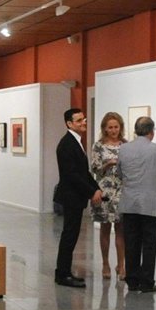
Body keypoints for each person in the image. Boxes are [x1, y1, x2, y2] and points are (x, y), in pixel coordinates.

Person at [115, 116, 156, 293]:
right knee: (149, 244)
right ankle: (147, 281)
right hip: (151, 204)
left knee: (131, 242)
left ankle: (132, 280)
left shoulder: (124, 149)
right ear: (152, 131)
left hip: (129, 203)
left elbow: (119, 173)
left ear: (136, 131)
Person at [53, 108, 103, 288]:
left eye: (84, 119)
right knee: (69, 235)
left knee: (71, 234)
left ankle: (64, 272)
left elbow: (83, 172)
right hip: (71, 196)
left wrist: (96, 188)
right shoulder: (67, 144)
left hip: (75, 196)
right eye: (79, 120)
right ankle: (63, 274)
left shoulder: (76, 142)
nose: (83, 123)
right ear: (69, 123)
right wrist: (91, 192)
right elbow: (72, 175)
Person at [89, 112, 126, 280]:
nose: (113, 130)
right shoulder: (98, 146)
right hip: (104, 190)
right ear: (104, 128)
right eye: (110, 127)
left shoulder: (126, 145)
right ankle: (105, 263)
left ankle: (121, 264)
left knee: (121, 229)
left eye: (116, 127)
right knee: (105, 227)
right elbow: (94, 169)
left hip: (122, 189)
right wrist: (108, 163)